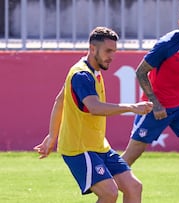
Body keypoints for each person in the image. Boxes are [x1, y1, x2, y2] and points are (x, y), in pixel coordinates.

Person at [33, 26, 153, 203]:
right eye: (108, 51)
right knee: (109, 193)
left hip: (98, 146)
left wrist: (52, 136)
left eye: (114, 51)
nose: (112, 56)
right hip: (79, 148)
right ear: (92, 48)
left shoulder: (92, 71)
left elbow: (60, 100)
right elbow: (95, 107)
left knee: (134, 187)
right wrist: (132, 107)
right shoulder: (82, 75)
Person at [120, 2, 179, 203]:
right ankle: (107, 190)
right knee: (133, 153)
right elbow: (140, 72)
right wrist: (155, 103)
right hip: (155, 106)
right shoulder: (166, 45)